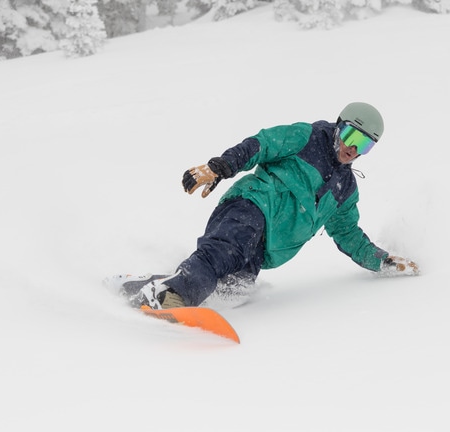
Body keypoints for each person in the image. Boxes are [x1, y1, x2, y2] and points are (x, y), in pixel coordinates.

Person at [109, 102, 419, 310]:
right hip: (251, 206)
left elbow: (348, 233)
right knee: (222, 254)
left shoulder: (345, 190)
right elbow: (261, 144)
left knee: (234, 289)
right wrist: (221, 166)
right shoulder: (308, 137)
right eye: (351, 135)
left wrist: (382, 261)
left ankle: (148, 287)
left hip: (266, 247)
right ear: (339, 126)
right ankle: (173, 296)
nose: (353, 148)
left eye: (364, 144)